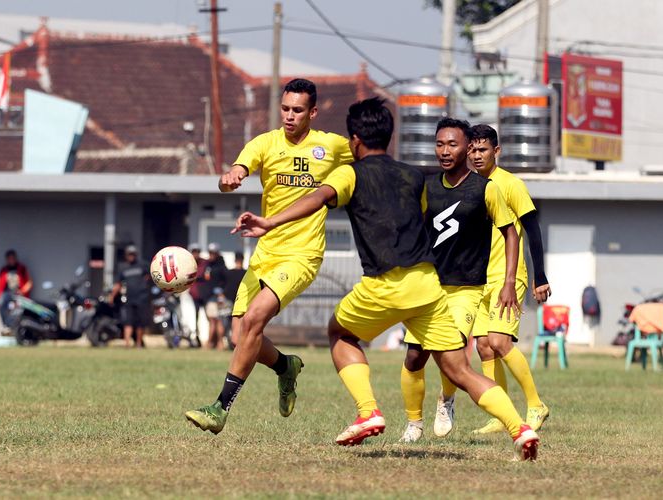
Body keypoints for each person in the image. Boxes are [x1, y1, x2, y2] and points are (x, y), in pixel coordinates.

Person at [231, 97, 539, 460]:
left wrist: (270, 221)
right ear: (390, 138)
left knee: (340, 333)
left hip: (384, 283)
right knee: (458, 369)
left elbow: (317, 198)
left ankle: (368, 412)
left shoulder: (351, 173)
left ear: (355, 141)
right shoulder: (413, 175)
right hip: (428, 284)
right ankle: (520, 428)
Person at [185, 78, 354, 434]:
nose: (290, 116)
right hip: (266, 253)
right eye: (285, 109)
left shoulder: (332, 146)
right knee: (239, 335)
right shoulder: (265, 142)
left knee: (253, 320)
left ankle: (220, 408)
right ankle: (285, 367)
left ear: (313, 112)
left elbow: (369, 163)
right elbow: (237, 171)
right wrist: (231, 178)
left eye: (297, 110)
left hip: (302, 255)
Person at [398, 118, 520, 443]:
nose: (445, 151)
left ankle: (446, 399)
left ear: (467, 147)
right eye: (440, 144)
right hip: (427, 287)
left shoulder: (485, 188)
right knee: (413, 356)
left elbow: (511, 233)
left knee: (451, 352)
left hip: (466, 288)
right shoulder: (426, 186)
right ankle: (413, 424)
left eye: (452, 144)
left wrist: (509, 281)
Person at [468, 124, 552, 435]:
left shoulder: (510, 184)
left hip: (508, 277)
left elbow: (533, 229)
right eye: (472, 150)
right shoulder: (470, 187)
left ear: (496, 151)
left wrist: (540, 276)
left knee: (500, 342)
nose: (477, 156)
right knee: (484, 348)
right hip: (479, 280)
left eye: (483, 150)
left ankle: (535, 404)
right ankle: (500, 414)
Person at [109, 245, 152, 348]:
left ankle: (138, 343)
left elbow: (151, 275)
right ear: (126, 255)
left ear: (136, 255)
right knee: (128, 321)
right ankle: (127, 344)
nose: (131, 256)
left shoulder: (143, 265)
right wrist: (112, 296)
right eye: (129, 254)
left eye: (133, 254)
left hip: (142, 298)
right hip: (129, 298)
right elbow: (118, 284)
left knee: (140, 322)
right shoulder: (123, 268)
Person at [0, 249, 33, 329]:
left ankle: (18, 327)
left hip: (19, 293)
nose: (11, 260)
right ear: (7, 259)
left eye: (13, 258)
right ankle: (7, 326)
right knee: (2, 304)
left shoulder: (22, 268)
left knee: (19, 308)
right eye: (9, 258)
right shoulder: (3, 271)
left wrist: (23, 291)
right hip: (7, 294)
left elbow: (29, 283)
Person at [202, 242, 228, 350]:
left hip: (217, 297)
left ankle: (215, 343)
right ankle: (215, 343)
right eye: (210, 252)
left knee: (217, 321)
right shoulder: (208, 265)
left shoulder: (221, 266)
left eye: (213, 253)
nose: (211, 255)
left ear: (217, 253)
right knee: (213, 320)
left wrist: (221, 293)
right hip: (209, 297)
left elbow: (225, 281)